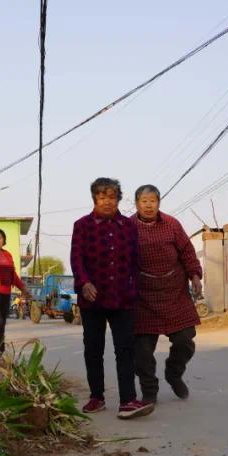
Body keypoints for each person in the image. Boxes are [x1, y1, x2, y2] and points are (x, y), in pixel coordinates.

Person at [70, 177, 153, 420]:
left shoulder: (128, 226)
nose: (107, 201)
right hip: (92, 298)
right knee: (93, 349)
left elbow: (135, 260)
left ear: (118, 199)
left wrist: (134, 288)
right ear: (94, 198)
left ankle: (128, 400)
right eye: (102, 196)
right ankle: (97, 397)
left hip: (123, 298)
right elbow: (77, 258)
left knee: (125, 349)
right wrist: (84, 282)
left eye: (112, 196)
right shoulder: (82, 225)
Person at [131, 184, 203, 403]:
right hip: (142, 297)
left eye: (153, 200)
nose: (149, 205)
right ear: (137, 204)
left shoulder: (172, 224)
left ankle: (174, 373)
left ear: (159, 203)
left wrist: (195, 275)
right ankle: (149, 392)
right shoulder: (127, 227)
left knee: (185, 340)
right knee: (141, 351)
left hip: (174, 292)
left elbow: (188, 252)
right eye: (144, 201)